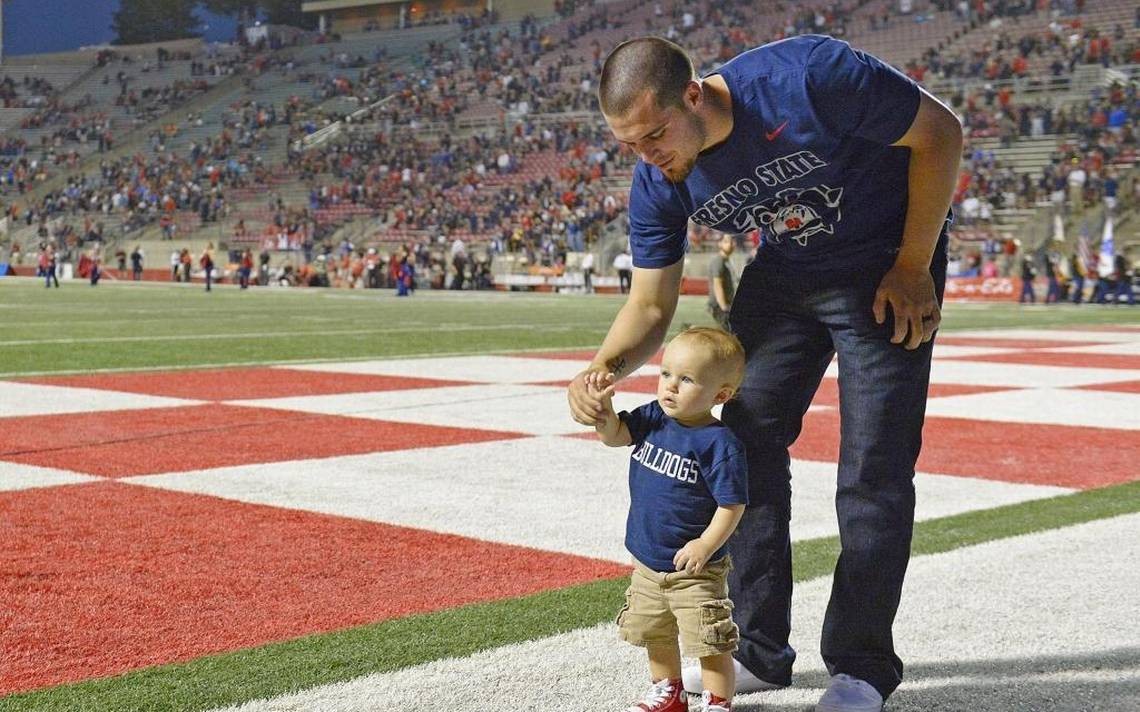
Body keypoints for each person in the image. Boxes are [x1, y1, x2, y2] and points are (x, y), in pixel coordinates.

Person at [568, 35, 961, 712]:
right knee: (740, 443)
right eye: (630, 143)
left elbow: (941, 133)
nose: (648, 156)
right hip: (787, 271)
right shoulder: (657, 175)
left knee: (875, 464)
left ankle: (862, 667)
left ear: (695, 94)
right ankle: (758, 648)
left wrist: (913, 263)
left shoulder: (807, 76)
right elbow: (651, 302)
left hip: (887, 257)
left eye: (656, 134)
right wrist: (602, 368)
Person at [588, 327, 748, 712]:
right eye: (666, 374)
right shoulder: (654, 417)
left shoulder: (720, 444)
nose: (671, 386)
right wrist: (604, 415)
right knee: (655, 632)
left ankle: (718, 702)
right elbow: (616, 436)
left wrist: (706, 544)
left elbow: (732, 505)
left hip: (695, 569)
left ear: (720, 395)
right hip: (646, 559)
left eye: (687, 379)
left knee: (708, 640)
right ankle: (669, 693)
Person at [707, 234, 736, 330]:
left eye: (732, 241)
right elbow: (717, 284)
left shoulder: (727, 260)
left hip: (727, 305)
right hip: (720, 306)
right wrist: (724, 307)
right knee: (727, 336)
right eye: (726, 241)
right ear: (720, 244)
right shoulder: (719, 261)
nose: (730, 244)